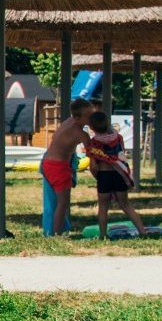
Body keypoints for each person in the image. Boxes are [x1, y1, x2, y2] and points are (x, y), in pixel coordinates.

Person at [84, 111, 147, 239]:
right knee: (126, 205)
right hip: (119, 175)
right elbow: (121, 156)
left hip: (104, 175)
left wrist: (97, 177)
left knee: (103, 207)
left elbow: (93, 166)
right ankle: (142, 232)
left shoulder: (94, 143)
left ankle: (103, 235)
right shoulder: (118, 138)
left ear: (91, 127)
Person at [41, 98, 94, 236]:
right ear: (77, 117)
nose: (91, 119)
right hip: (58, 166)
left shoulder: (67, 122)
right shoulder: (80, 133)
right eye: (88, 116)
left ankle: (56, 230)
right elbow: (93, 153)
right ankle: (57, 234)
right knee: (62, 203)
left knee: (54, 201)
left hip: (48, 162)